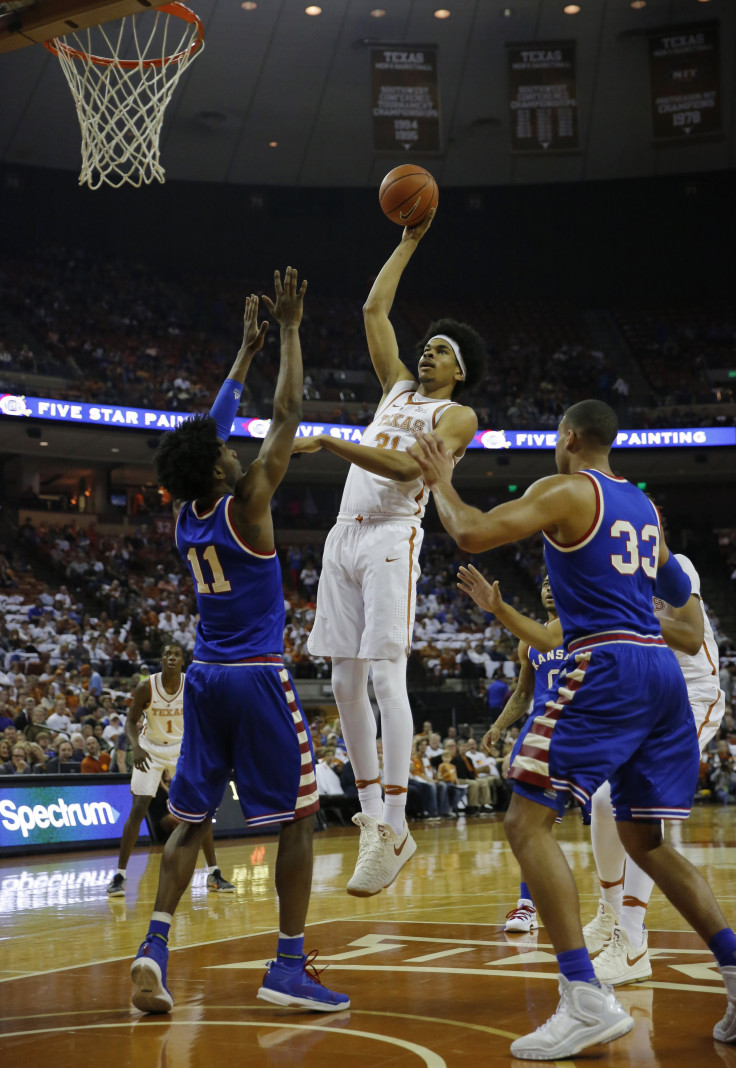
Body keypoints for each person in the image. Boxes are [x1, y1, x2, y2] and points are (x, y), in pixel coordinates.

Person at [410, 398, 736, 1059]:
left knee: (524, 823)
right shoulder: (644, 508)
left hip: (607, 664)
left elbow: (471, 532)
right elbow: (685, 602)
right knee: (646, 840)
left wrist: (437, 476)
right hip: (661, 675)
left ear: (569, 438)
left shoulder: (563, 489)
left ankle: (583, 996)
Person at [130, 270, 349, 1016]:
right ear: (221, 467)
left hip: (204, 678)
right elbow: (287, 412)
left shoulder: (186, 517)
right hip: (256, 676)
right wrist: (288, 329)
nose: (230, 447)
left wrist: (240, 356)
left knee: (188, 820)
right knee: (301, 815)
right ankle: (288, 965)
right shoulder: (249, 502)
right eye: (223, 449)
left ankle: (153, 949)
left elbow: (209, 428)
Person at [292, 209, 486, 897]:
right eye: (426, 346)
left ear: (459, 372)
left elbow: (408, 472)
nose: (426, 353)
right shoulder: (398, 388)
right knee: (343, 683)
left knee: (383, 678)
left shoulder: (453, 416)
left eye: (439, 351)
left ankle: (399, 821)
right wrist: (406, 245)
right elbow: (375, 308)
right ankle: (373, 821)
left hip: (392, 535)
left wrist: (333, 442)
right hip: (345, 532)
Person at [585, 553, 727, 985]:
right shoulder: (602, 574)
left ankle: (632, 941)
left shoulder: (677, 565)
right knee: (602, 800)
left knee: (636, 802)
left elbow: (689, 636)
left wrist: (622, 618)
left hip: (690, 692)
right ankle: (610, 914)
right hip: (642, 691)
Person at [459, 571, 565, 936]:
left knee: (612, 825)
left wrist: (497, 607)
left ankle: (621, 911)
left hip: (583, 729)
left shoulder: (585, 625)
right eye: (545, 583)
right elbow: (522, 694)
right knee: (527, 826)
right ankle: (526, 905)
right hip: (542, 731)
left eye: (557, 581)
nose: (550, 588)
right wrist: (498, 726)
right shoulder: (530, 641)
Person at [106, 641, 234, 898]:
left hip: (181, 749)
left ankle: (214, 872)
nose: (172, 658)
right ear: (162, 660)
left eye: (177, 654)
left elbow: (207, 715)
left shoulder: (191, 684)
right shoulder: (147, 686)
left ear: (183, 661)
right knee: (139, 808)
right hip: (150, 749)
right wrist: (136, 748)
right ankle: (119, 874)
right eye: (167, 654)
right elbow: (131, 722)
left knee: (202, 809)